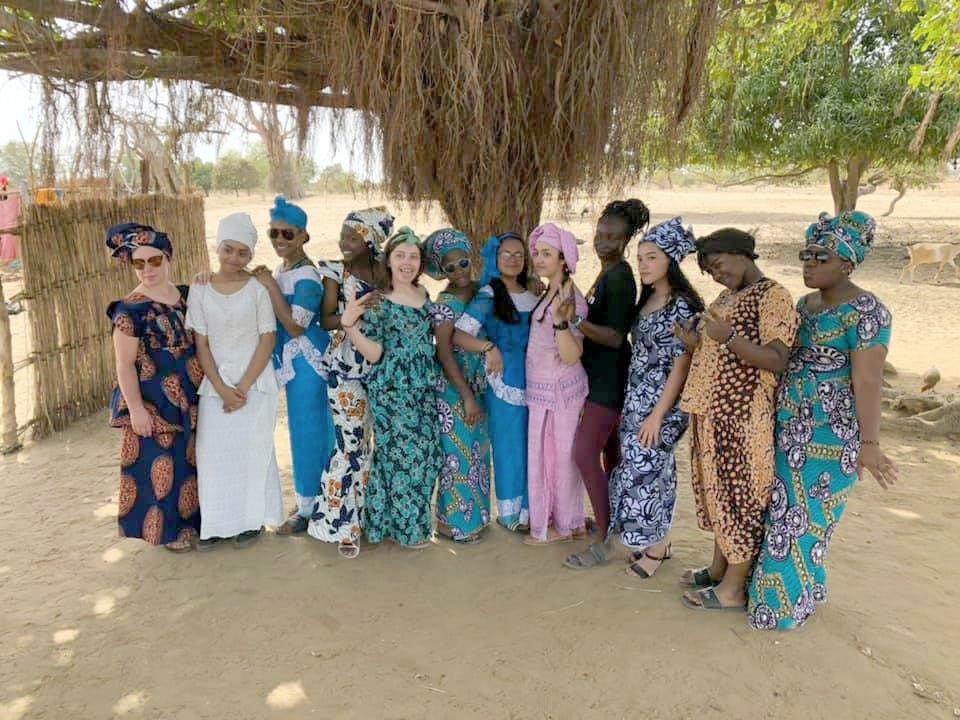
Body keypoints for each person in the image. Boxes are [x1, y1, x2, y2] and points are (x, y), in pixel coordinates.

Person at [748, 212, 897, 630]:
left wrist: (870, 445)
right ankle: (800, 595)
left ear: (847, 263)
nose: (809, 264)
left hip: (830, 439)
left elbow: (867, 381)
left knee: (806, 520)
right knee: (782, 511)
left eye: (821, 257)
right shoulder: (804, 305)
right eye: (806, 255)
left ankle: (778, 611)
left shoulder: (867, 312)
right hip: (788, 428)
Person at [676, 228, 799, 610]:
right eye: (709, 271)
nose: (716, 275)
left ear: (742, 253)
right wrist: (696, 344)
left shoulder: (773, 296)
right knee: (718, 494)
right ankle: (717, 570)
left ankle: (732, 588)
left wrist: (727, 337)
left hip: (743, 416)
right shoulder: (729, 296)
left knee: (741, 496)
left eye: (718, 265)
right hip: (712, 411)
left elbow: (777, 359)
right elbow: (720, 348)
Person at [339, 227, 442, 549]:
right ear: (389, 261)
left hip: (424, 387)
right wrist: (349, 326)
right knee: (401, 459)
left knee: (426, 456)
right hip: (393, 391)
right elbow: (374, 353)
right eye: (401, 256)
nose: (407, 262)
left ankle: (390, 524)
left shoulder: (424, 295)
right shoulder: (379, 301)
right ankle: (409, 532)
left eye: (413, 256)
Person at [186, 213, 282, 550]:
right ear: (218, 246)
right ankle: (215, 526)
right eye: (228, 249)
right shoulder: (199, 290)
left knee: (252, 454)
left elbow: (267, 340)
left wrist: (241, 388)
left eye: (243, 253)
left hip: (256, 386)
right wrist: (224, 390)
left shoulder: (256, 290)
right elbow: (202, 345)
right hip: (216, 388)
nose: (234, 259)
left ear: (251, 255)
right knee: (213, 456)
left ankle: (250, 523)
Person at [106, 223, 203, 552]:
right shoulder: (129, 309)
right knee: (161, 465)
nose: (147, 269)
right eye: (139, 263)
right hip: (153, 399)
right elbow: (123, 365)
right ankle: (168, 533)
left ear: (168, 258)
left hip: (190, 392)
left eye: (155, 261)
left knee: (189, 460)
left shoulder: (187, 294)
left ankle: (194, 525)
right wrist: (135, 410)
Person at [563, 199, 646, 567]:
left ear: (626, 239)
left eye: (613, 237)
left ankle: (605, 539)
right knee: (611, 455)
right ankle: (615, 524)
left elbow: (615, 336)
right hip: (601, 378)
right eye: (600, 234)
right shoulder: (608, 272)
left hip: (609, 383)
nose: (603, 241)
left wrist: (576, 324)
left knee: (584, 453)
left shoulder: (620, 277)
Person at [308, 207, 394, 558]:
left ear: (371, 239)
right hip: (346, 369)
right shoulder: (334, 271)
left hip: (384, 368)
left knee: (373, 446)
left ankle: (367, 520)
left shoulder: (387, 271)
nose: (344, 242)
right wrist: (352, 313)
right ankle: (340, 526)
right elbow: (325, 320)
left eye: (353, 237)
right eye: (343, 235)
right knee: (349, 447)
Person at [250, 197, 335, 536]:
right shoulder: (284, 271)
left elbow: (297, 326)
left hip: (308, 363)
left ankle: (311, 508)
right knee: (303, 431)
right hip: (293, 363)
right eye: (274, 234)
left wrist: (269, 287)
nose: (280, 240)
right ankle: (315, 503)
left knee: (309, 431)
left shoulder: (307, 277)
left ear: (304, 236)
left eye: (288, 233)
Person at [453, 232, 538, 532]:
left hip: (537, 382)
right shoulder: (490, 294)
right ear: (495, 258)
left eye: (519, 255)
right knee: (508, 447)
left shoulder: (533, 294)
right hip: (504, 384)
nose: (514, 260)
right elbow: (460, 334)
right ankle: (511, 514)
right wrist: (489, 348)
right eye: (507, 254)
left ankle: (532, 511)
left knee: (533, 446)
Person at [523, 223, 589, 545]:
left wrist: (562, 322)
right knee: (546, 456)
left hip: (560, 392)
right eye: (536, 253)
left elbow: (572, 354)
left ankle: (565, 525)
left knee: (559, 458)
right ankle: (557, 520)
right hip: (543, 392)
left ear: (565, 259)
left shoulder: (569, 298)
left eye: (547, 254)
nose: (538, 259)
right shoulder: (551, 289)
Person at [425, 228, 492, 542]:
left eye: (463, 263)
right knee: (458, 457)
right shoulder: (445, 304)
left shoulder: (481, 290)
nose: (458, 272)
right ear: (440, 271)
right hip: (454, 391)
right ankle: (455, 526)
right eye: (449, 267)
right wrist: (466, 396)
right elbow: (443, 353)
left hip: (476, 387)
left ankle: (476, 519)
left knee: (477, 454)